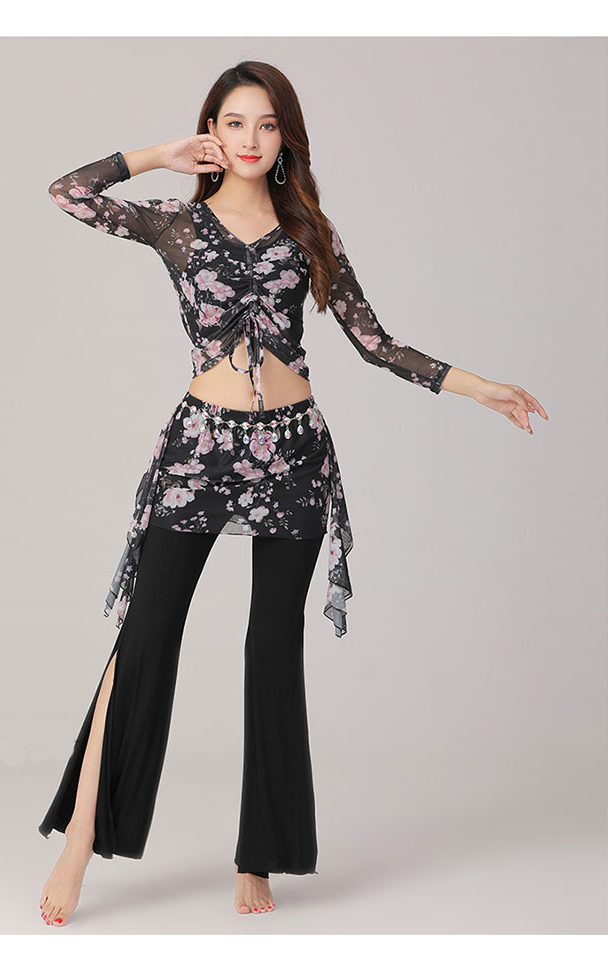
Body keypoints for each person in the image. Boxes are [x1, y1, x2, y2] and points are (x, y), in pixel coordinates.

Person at [37, 61, 548, 926]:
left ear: (286, 138)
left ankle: (259, 853)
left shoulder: (310, 232)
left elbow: (376, 344)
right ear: (212, 130)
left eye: (267, 124)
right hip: (201, 450)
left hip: (294, 457)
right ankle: (81, 838)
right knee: (147, 635)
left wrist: (479, 387)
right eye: (234, 123)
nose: (250, 139)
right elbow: (69, 192)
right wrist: (159, 154)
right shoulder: (177, 224)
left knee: (273, 647)